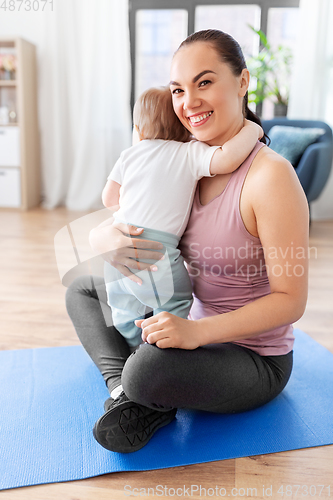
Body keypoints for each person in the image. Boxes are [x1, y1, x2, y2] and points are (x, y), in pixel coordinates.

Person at [65, 29, 309, 454]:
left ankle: (139, 387)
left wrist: (198, 332)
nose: (188, 102)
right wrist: (103, 233)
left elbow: (291, 300)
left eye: (205, 82)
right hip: (181, 319)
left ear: (243, 81)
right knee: (82, 289)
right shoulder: (183, 159)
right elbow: (127, 211)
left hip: (250, 356)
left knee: (149, 369)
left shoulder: (270, 177)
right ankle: (128, 392)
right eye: (178, 89)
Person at [103, 85, 263, 350]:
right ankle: (156, 353)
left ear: (139, 130)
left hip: (120, 251)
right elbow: (227, 159)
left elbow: (109, 199)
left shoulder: (128, 156)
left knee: (122, 308)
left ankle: (131, 346)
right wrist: (253, 129)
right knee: (174, 305)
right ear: (185, 129)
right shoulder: (188, 152)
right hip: (158, 255)